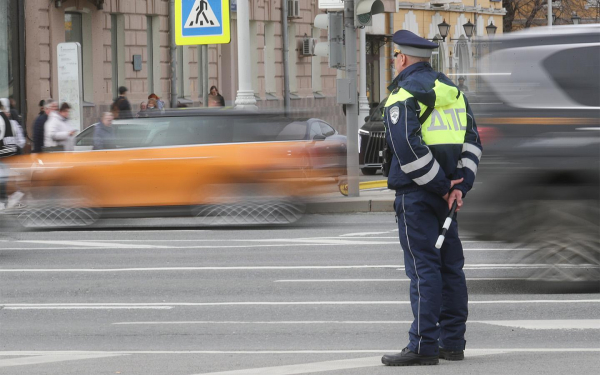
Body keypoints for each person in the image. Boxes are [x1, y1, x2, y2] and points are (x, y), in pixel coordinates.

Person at [380, 30, 482, 367]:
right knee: (450, 268)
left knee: (424, 270)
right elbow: (473, 143)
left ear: (403, 59)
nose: (395, 61)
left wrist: (440, 186)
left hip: (418, 196)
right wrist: (459, 186)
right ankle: (452, 343)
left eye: (395, 56)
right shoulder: (453, 92)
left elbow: (408, 152)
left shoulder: (403, 95)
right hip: (447, 196)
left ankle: (423, 345)